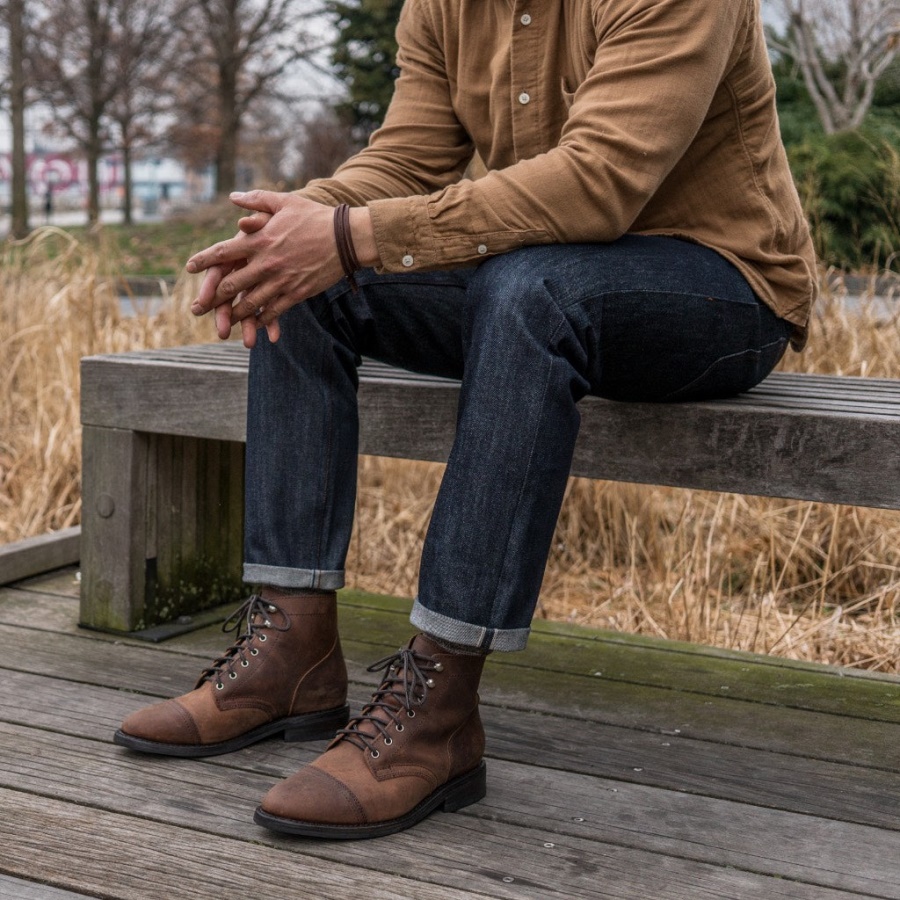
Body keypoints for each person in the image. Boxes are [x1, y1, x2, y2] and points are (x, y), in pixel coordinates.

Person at [114, 0, 817, 840]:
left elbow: (599, 181)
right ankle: (290, 654)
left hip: (719, 289)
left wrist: (349, 235)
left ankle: (438, 710)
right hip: (549, 271)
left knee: (529, 290)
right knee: (308, 284)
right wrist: (296, 227)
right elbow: (408, 157)